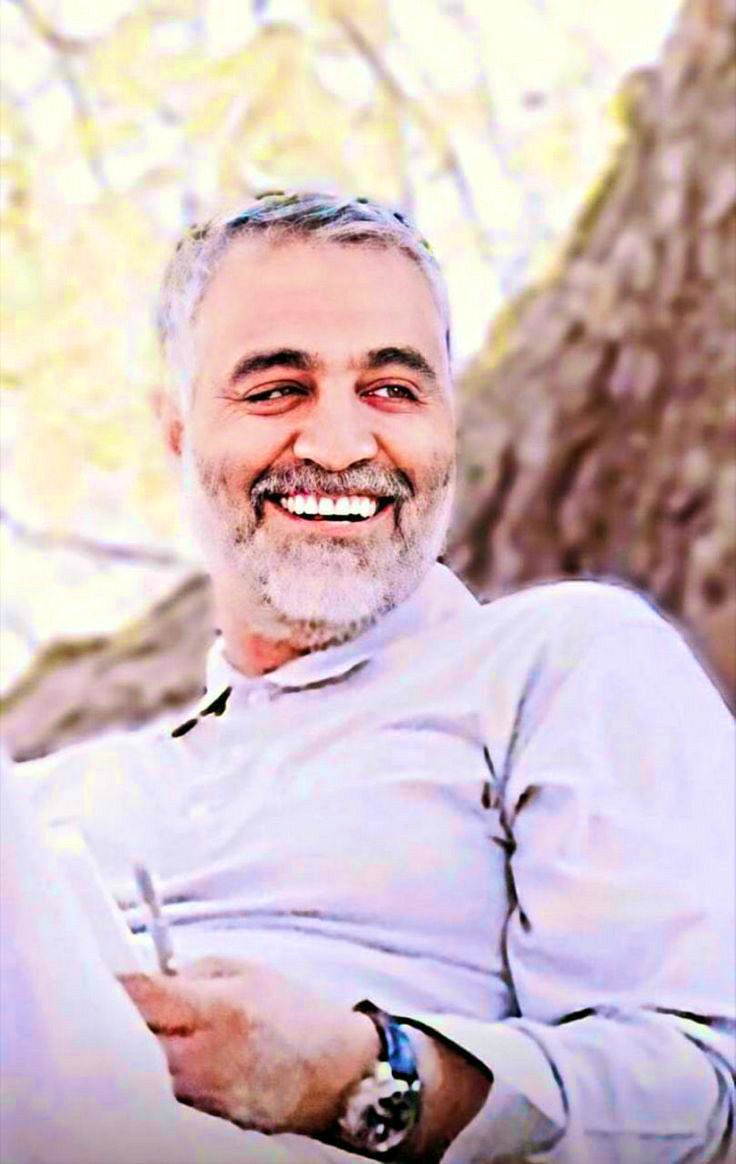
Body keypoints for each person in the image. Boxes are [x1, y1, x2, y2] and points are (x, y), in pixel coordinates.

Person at [17, 192, 735, 1163]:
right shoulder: (53, 802)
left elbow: (700, 1094)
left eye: (392, 390)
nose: (341, 446)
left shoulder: (558, 665)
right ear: (178, 433)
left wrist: (362, 1075)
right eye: (278, 390)